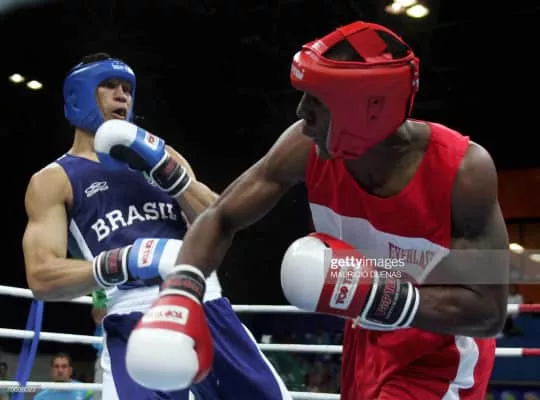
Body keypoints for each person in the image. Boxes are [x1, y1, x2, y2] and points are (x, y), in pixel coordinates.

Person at [126, 21, 510, 399]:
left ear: (366, 108)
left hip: (441, 355)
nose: (301, 112)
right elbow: (221, 216)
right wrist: (181, 292)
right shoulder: (304, 147)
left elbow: (489, 311)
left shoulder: (463, 173)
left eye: (317, 100)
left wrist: (378, 295)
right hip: (365, 337)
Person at [22, 52, 291, 400]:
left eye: (127, 88)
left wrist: (169, 173)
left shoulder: (163, 154)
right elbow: (42, 277)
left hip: (203, 299)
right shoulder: (54, 179)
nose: (122, 95)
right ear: (78, 96)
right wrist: (124, 261)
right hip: (131, 313)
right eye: (109, 86)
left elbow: (224, 219)